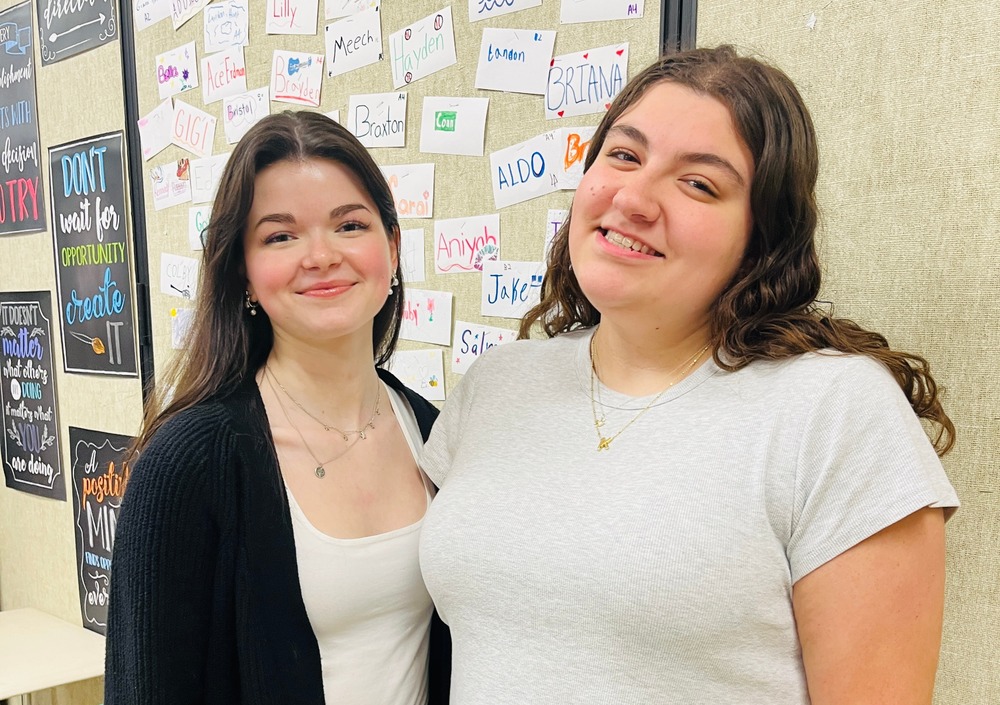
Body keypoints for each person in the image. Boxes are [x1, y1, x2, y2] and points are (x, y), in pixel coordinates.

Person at [419, 46, 958, 704]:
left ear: (761, 239)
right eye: (623, 155)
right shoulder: (496, 384)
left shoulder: (836, 413)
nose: (635, 197)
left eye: (699, 183)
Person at [106, 111, 450, 705]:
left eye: (349, 225)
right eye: (280, 236)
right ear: (243, 271)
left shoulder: (435, 433)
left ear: (392, 248)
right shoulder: (188, 463)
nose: (320, 256)